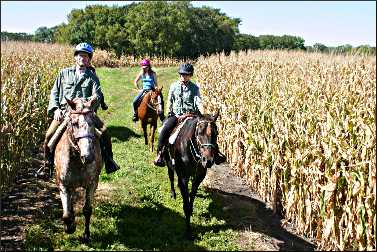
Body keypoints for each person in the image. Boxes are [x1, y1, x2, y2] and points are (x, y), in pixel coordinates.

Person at [43, 42, 120, 175]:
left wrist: (92, 103)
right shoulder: (64, 73)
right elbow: (54, 92)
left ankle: (109, 161)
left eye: (85, 56)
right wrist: (55, 109)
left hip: (86, 114)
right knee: (49, 135)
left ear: (89, 59)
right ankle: (47, 165)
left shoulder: (93, 77)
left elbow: (98, 95)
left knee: (105, 133)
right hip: (66, 113)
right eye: (80, 55)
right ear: (75, 57)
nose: (82, 58)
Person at [153, 63, 226, 167]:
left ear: (190, 75)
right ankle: (160, 154)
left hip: (192, 115)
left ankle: (217, 154)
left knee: (206, 131)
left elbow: (198, 101)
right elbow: (170, 100)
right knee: (164, 130)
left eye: (186, 74)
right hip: (176, 115)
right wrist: (169, 113)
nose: (183, 76)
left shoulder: (194, 88)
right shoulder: (173, 86)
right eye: (182, 74)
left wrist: (202, 113)